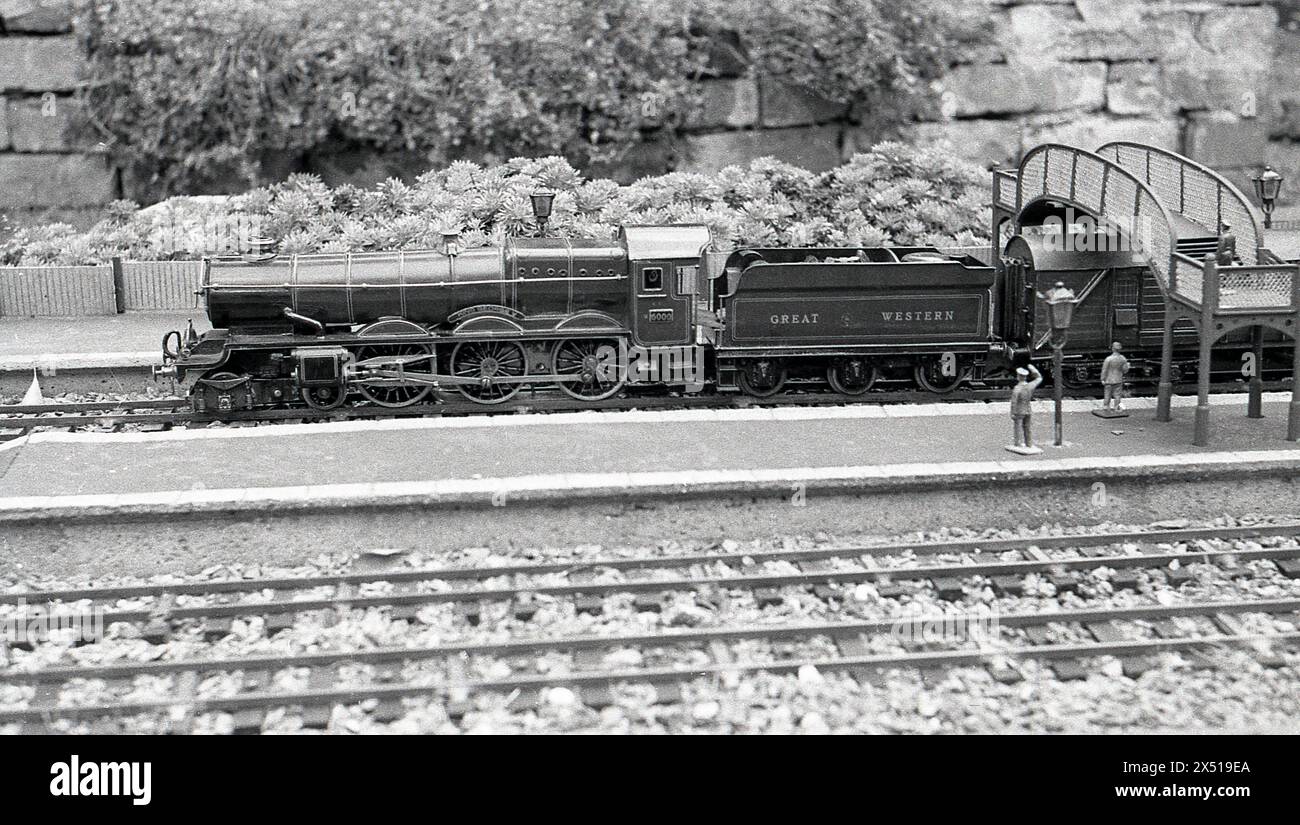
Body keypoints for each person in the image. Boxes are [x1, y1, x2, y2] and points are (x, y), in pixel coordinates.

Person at [1009, 363, 1043, 449]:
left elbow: (1014, 402)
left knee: (1018, 428)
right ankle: (1029, 444)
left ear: (1019, 377)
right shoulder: (1030, 385)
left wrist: (1012, 413)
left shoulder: (1017, 388)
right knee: (1027, 428)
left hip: (1019, 411)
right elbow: (1039, 378)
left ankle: (1018, 444)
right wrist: (1033, 369)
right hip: (1028, 409)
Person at [1100, 341, 1130, 411]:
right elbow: (1125, 370)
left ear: (1112, 349)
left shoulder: (1108, 359)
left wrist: (1102, 379)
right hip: (1118, 380)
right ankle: (1116, 407)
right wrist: (1128, 367)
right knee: (1117, 395)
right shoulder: (1123, 359)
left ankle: (1106, 407)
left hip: (1108, 380)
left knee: (1107, 395)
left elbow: (1104, 370)